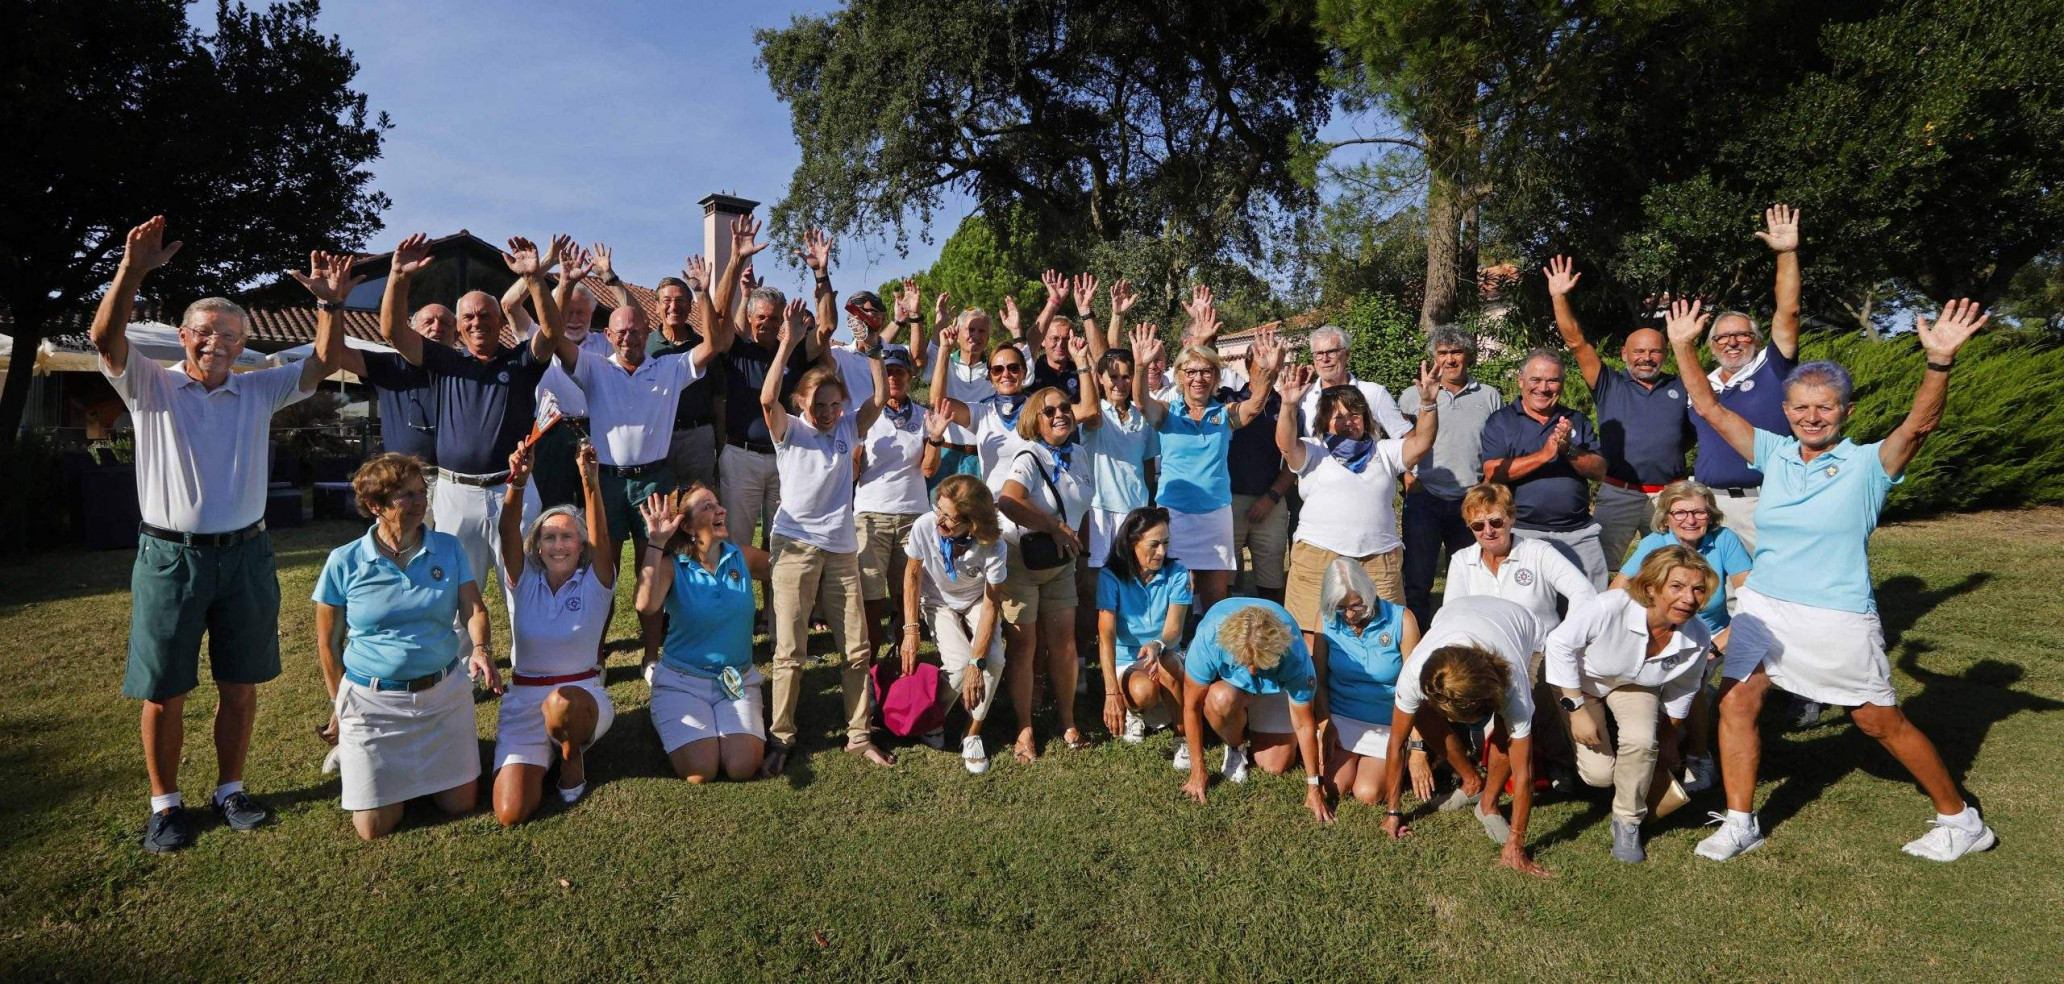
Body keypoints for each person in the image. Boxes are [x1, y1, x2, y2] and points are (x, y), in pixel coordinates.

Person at [1667, 297, 1999, 862]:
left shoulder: (1869, 465)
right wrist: (1683, 346)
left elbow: (1919, 426)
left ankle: (1961, 819)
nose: (1810, 417)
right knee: (1737, 703)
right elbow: (1709, 406)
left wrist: (1938, 363)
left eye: (1823, 407)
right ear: (1787, 409)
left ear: (1844, 410)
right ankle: (1742, 821)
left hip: (1835, 613)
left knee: (1875, 722)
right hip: (1765, 604)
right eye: (1800, 407)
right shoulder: (1774, 453)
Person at [93, 219, 341, 852]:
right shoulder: (150, 382)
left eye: (229, 335)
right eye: (204, 332)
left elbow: (318, 366)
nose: (216, 343)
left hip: (247, 556)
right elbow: (104, 337)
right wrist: (132, 270)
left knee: (241, 684)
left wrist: (330, 306)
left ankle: (230, 788)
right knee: (164, 688)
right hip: (170, 558)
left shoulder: (257, 390)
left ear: (243, 342)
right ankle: (166, 804)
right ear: (184, 337)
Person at [368, 233, 569, 626]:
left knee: (524, 582)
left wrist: (534, 279)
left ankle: (528, 668)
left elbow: (552, 331)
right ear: (459, 328)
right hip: (456, 493)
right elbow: (393, 331)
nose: (478, 323)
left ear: (500, 322)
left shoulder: (521, 362)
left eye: (487, 315)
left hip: (514, 490)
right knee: (459, 586)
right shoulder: (443, 362)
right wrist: (397, 277)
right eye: (469, 318)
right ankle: (464, 671)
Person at [550, 251, 726, 670]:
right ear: (608, 336)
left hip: (654, 483)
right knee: (601, 572)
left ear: (647, 330)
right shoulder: (593, 368)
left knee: (653, 569)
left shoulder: (669, 368)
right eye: (620, 332)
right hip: (606, 483)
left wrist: (702, 293)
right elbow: (554, 335)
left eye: (635, 330)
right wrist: (564, 284)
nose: (628, 337)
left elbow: (715, 343)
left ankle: (651, 655)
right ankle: (595, 653)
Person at [314, 453, 500, 841]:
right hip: (373, 704)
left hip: (442, 695)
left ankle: (400, 771)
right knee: (374, 827)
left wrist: (480, 647)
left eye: (421, 492)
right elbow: (329, 644)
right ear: (375, 506)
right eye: (404, 496)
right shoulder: (343, 562)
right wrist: (340, 707)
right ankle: (358, 752)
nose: (419, 503)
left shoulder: (447, 548)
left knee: (461, 803)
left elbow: (473, 606)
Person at [761, 300, 894, 773]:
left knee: (857, 648)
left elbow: (877, 399)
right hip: (794, 546)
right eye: (821, 405)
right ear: (803, 404)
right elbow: (766, 398)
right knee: (790, 651)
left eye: (836, 404)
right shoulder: (790, 430)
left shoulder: (846, 430)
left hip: (841, 549)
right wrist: (788, 343)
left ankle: (859, 735)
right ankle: (780, 738)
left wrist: (875, 347)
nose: (830, 412)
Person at [1543, 546, 1716, 863]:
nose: (1689, 599)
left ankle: (1627, 821)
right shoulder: (1610, 606)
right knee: (1600, 775)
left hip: (1639, 683)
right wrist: (1577, 709)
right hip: (1583, 681)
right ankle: (1586, 741)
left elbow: (1683, 689)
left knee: (1641, 742)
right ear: (1652, 587)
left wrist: (1667, 737)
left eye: (1698, 589)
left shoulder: (1698, 636)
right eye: (1677, 587)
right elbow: (1558, 643)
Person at [1378, 594, 1551, 877]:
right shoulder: (1415, 673)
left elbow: (1524, 773)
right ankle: (1472, 782)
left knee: (1508, 729)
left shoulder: (1513, 689)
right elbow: (1397, 743)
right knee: (1418, 713)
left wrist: (1516, 842)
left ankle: (1488, 804)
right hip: (1457, 612)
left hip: (1523, 629)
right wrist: (1393, 812)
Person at [490, 442, 615, 824]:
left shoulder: (596, 581)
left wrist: (590, 482)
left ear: (581, 545)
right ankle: (544, 751)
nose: (558, 545)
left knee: (562, 703)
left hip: (581, 698)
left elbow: (601, 536)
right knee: (511, 812)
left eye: (567, 537)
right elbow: (506, 527)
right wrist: (519, 481)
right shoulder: (523, 581)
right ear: (537, 547)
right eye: (548, 537)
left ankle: (570, 757)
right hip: (524, 701)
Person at [1544, 254, 1695, 570]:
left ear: (1665, 354)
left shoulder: (1682, 386)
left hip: (1670, 497)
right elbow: (1576, 341)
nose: (1646, 357)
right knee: (1601, 570)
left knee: (1675, 569)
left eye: (1654, 351)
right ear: (1625, 353)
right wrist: (1559, 297)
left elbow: (1689, 436)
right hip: (1618, 493)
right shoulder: (1608, 383)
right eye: (1638, 351)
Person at [1275, 359, 1440, 638]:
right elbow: (1285, 443)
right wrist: (1289, 405)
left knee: (1385, 632)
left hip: (1378, 557)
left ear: (1365, 418)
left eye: (1354, 415)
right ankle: (1317, 682)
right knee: (1311, 633)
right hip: (1318, 555)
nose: (1347, 422)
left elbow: (1422, 442)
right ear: (1324, 422)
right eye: (1337, 416)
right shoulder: (1314, 450)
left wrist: (1428, 404)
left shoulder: (1385, 451)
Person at [1131, 320, 1284, 616]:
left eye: (1205, 371)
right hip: (1173, 514)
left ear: (1215, 377)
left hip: (1215, 515)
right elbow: (1141, 401)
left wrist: (1267, 372)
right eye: (1190, 372)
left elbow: (1253, 407)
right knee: (1176, 591)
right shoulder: (1167, 412)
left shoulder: (1224, 413)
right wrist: (1140, 366)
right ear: (1179, 376)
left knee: (1216, 594)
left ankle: (1209, 655)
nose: (1198, 378)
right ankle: (1175, 651)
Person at [714, 216, 823, 629]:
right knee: (738, 542)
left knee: (782, 540)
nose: (768, 325)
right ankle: (738, 620)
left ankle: (778, 618)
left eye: (776, 320)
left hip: (785, 458)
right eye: (761, 318)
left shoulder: (793, 352)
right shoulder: (734, 349)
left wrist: (820, 274)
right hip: (740, 456)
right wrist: (735, 261)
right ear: (752, 315)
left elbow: (826, 327)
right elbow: (721, 313)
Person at [1611, 479, 1753, 792]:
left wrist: (1716, 647)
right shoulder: (1655, 543)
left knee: (1694, 685)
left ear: (1711, 515)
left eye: (1699, 513)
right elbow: (1616, 591)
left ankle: (1698, 756)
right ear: (1666, 517)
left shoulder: (1724, 540)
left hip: (1713, 638)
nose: (1690, 520)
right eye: (1680, 513)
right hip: (1661, 634)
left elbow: (1754, 600)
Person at [636, 486, 773, 783]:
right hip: (682, 682)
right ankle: (665, 707)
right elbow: (646, 606)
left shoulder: (743, 557)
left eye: (718, 504)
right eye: (708, 506)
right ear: (686, 526)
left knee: (742, 766)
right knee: (701, 771)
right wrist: (656, 544)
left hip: (736, 679)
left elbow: (790, 570)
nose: (720, 510)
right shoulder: (672, 567)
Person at [1687, 205, 1805, 553]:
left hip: (1762, 502)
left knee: (1767, 588)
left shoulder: (1774, 368)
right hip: (1709, 506)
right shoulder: (1701, 385)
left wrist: (1786, 254)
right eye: (1722, 338)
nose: (1732, 342)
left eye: (1741, 335)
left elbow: (1789, 312)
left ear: (1756, 340)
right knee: (1711, 592)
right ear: (1711, 347)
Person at [992, 383, 1096, 762]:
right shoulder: (1029, 455)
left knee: (1065, 644)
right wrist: (1053, 527)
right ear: (1035, 420)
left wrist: (1081, 553)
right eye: (1049, 411)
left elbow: (1082, 510)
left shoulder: (1080, 455)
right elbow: (1007, 500)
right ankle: (1024, 728)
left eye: (1064, 408)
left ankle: (1066, 720)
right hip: (1024, 562)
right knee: (1024, 645)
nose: (1059, 415)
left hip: (1062, 565)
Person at [1177, 597, 1333, 824]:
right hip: (1230, 687)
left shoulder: (1294, 654)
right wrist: (1197, 769)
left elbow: (1303, 722)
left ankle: (1250, 722)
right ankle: (1234, 746)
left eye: (1258, 662)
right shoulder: (1209, 638)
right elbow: (1191, 706)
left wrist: (1313, 787)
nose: (1251, 670)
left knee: (1275, 766)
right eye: (1245, 661)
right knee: (1219, 699)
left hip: (1274, 687)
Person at [900, 474, 1011, 773]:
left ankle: (971, 733)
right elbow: (912, 575)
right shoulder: (925, 526)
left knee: (994, 660)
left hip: (976, 601)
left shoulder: (995, 547)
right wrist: (910, 629)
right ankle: (934, 716)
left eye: (948, 518)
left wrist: (979, 662)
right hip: (938, 600)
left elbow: (990, 604)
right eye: (939, 510)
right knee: (960, 665)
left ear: (973, 523)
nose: (939, 520)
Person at [1400, 326, 1505, 629]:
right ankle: (1417, 644)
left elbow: (1497, 446)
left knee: (1470, 578)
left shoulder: (1488, 396)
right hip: (1425, 498)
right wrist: (1408, 478)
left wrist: (1488, 489)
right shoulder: (1412, 396)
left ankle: (1463, 635)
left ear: (1468, 355)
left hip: (1470, 501)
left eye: (1456, 352)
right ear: (1434, 356)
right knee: (1418, 579)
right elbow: (1398, 442)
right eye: (1443, 353)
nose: (1449, 359)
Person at [1480, 348, 1611, 587]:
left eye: (1553, 380)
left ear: (1561, 384)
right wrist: (1544, 455)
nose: (1543, 387)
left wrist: (1568, 449)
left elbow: (1599, 471)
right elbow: (1493, 472)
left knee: (1592, 609)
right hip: (1524, 534)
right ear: (1520, 381)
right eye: (1536, 379)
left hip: (1578, 534)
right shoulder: (1501, 421)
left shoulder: (1576, 420)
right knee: (1531, 611)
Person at [1312, 557, 1422, 810]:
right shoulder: (1326, 619)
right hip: (1342, 716)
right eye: (1341, 608)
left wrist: (1417, 747)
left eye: (1356, 606)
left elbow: (1416, 689)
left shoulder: (1402, 620)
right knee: (1334, 786)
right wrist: (1325, 720)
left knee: (1368, 792)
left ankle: (1396, 758)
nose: (1349, 615)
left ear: (1369, 592)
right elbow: (1320, 677)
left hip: (1389, 719)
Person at [1096, 507, 1194, 759]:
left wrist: (1158, 644)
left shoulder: (1178, 573)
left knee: (1168, 663)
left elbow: (1174, 629)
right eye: (1154, 544)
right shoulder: (1109, 576)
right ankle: (1136, 712)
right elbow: (1105, 636)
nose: (1162, 552)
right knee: (1144, 692)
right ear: (1132, 544)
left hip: (1165, 655)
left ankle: (1182, 737)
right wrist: (1111, 693)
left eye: (1166, 543)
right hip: (1127, 661)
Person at [855, 346, 931, 662]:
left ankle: (904, 670)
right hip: (871, 514)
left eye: (899, 371)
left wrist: (936, 439)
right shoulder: (865, 414)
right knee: (871, 600)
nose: (893, 377)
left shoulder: (926, 415)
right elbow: (853, 466)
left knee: (907, 600)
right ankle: (871, 672)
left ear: (910, 376)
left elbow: (928, 469)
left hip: (913, 514)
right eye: (887, 372)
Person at [1444, 483, 1598, 635]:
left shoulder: (1539, 552)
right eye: (1478, 526)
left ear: (1511, 518)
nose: (1488, 531)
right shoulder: (1462, 561)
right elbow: (1450, 615)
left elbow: (1583, 591)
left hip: (1538, 652)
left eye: (1496, 522)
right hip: (1484, 654)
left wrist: (1565, 637)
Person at [1224, 345, 1292, 604]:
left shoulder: (1287, 402)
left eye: (1276, 362)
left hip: (1270, 500)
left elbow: (1294, 460)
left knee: (1271, 583)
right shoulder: (1228, 398)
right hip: (1229, 501)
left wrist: (1271, 498)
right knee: (1223, 581)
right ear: (1247, 363)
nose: (1270, 366)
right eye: (1263, 360)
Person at [648, 265, 726, 491]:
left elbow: (719, 399)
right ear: (656, 307)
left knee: (699, 504)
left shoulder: (705, 347)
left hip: (697, 437)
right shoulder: (645, 347)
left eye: (681, 300)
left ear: (691, 306)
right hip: (658, 437)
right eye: (667, 301)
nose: (674, 307)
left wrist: (720, 444)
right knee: (661, 502)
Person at [929, 311, 1032, 480]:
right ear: (959, 331)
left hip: (982, 456)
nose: (975, 335)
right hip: (947, 452)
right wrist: (944, 350)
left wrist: (1016, 332)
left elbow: (1026, 376)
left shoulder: (997, 368)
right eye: (970, 329)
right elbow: (936, 403)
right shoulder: (944, 361)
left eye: (982, 331)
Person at [1295, 324, 1415, 439]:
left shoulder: (1374, 393)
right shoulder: (1303, 397)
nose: (1325, 359)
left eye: (1332, 352)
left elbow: (1409, 439)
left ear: (1347, 354)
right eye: (1319, 354)